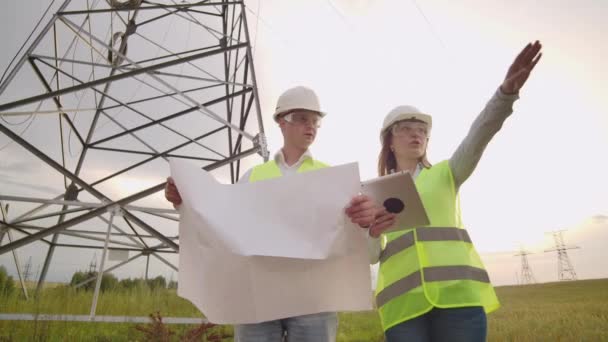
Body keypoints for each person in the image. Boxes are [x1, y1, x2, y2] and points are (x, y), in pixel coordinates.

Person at [166, 86, 389, 342]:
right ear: (282, 122)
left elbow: (354, 241)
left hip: (313, 299)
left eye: (315, 121)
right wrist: (185, 201)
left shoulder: (333, 178)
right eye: (302, 119)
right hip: (259, 297)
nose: (311, 126)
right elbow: (221, 224)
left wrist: (366, 222)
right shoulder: (254, 177)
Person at [367, 41, 543, 341]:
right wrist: (370, 233)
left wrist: (504, 95)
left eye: (422, 129)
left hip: (458, 300)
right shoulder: (374, 191)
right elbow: (372, 256)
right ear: (389, 141)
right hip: (403, 307)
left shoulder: (448, 173)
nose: (416, 133)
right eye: (406, 127)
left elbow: (480, 134)